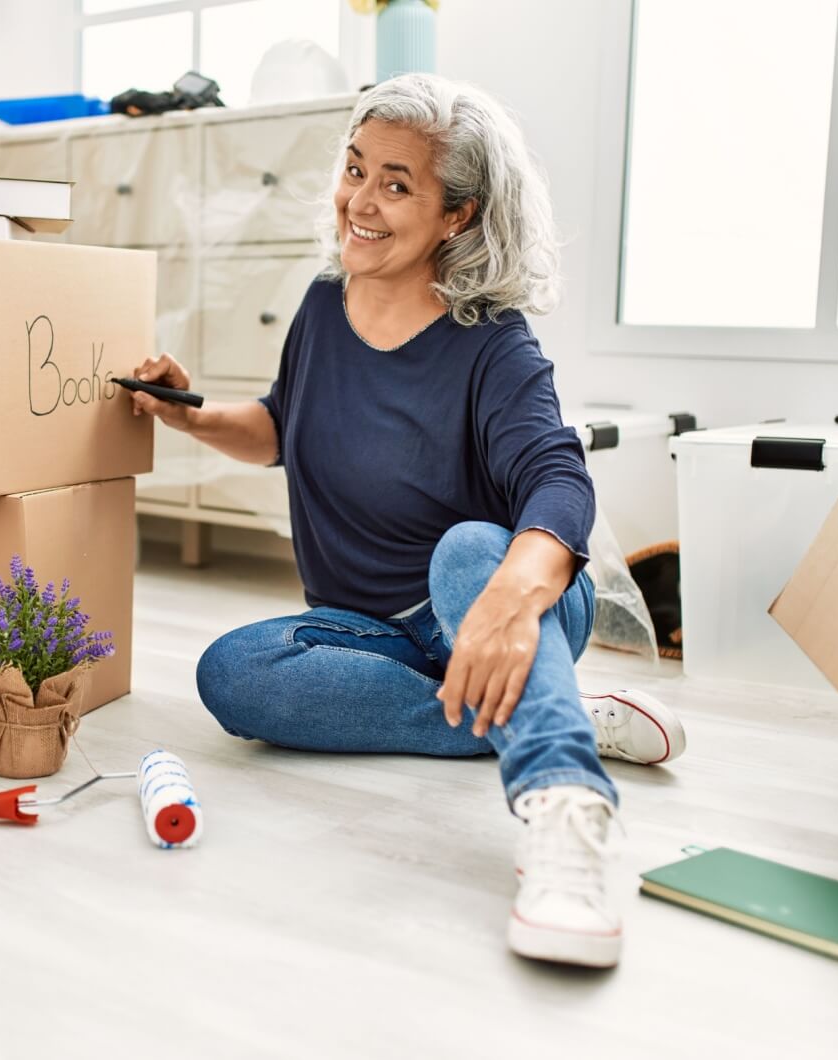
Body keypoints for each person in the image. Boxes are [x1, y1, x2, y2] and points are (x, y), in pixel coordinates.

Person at [125, 73, 685, 968]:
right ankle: (543, 713)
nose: (361, 201)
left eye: (397, 184)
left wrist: (515, 590)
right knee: (231, 672)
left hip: (497, 607)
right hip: (369, 631)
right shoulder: (320, 307)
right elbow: (282, 425)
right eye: (356, 170)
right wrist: (189, 412)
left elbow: (556, 477)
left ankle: (565, 809)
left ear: (456, 215)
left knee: (467, 547)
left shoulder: (492, 340)